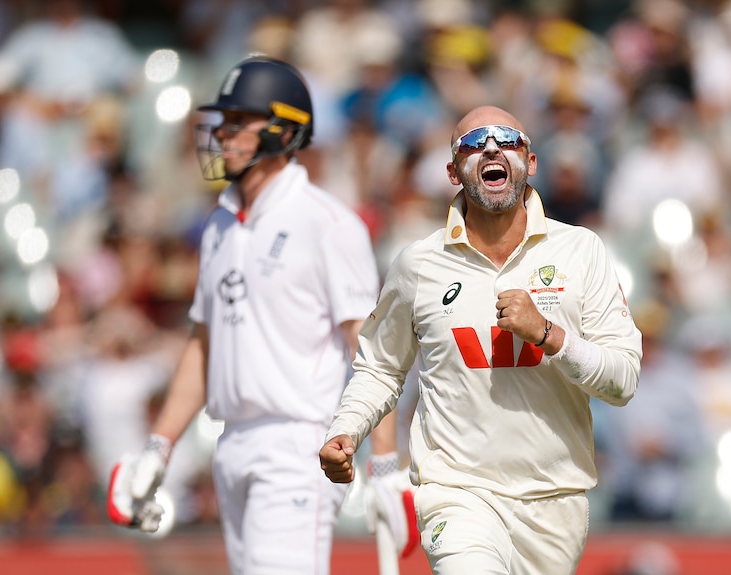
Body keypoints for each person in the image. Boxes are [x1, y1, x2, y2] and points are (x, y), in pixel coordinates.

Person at [105, 56, 403, 574]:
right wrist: (158, 448)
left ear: (284, 130)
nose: (223, 134)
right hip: (233, 442)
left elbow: (372, 347)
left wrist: (384, 462)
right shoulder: (219, 226)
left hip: (301, 441)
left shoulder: (328, 223)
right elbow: (204, 345)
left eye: (239, 121)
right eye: (222, 121)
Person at [319, 105, 643, 574]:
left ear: (531, 162)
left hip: (554, 502)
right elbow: (381, 367)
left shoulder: (581, 250)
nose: (491, 148)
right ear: (453, 172)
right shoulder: (418, 264)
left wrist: (549, 335)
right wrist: (345, 429)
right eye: (473, 143)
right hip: (456, 492)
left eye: (508, 140)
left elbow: (623, 381)